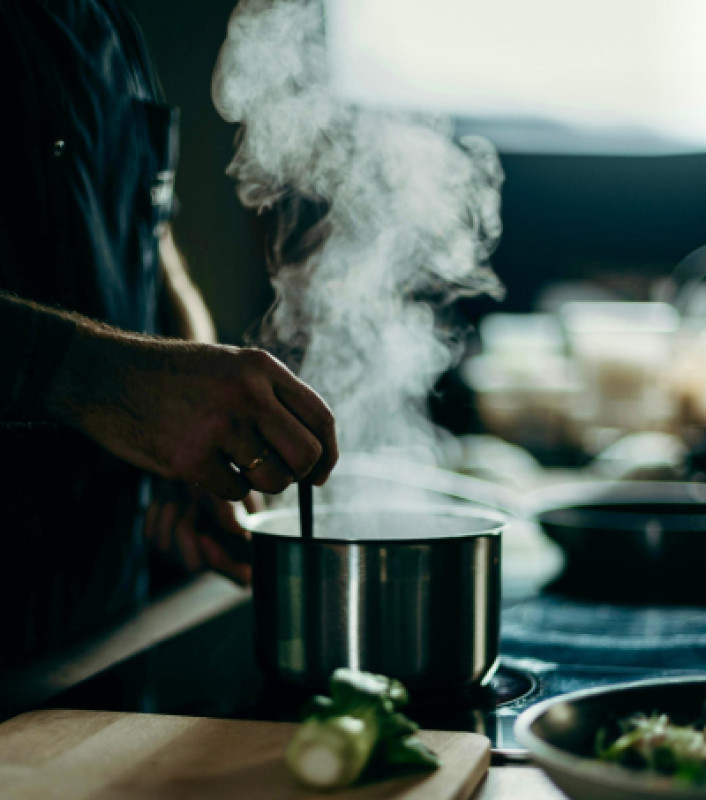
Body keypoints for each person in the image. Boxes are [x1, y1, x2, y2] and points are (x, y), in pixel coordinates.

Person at [0, 0, 337, 665]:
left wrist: (191, 403)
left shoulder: (102, 21)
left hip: (99, 614)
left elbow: (151, 235)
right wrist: (118, 384)